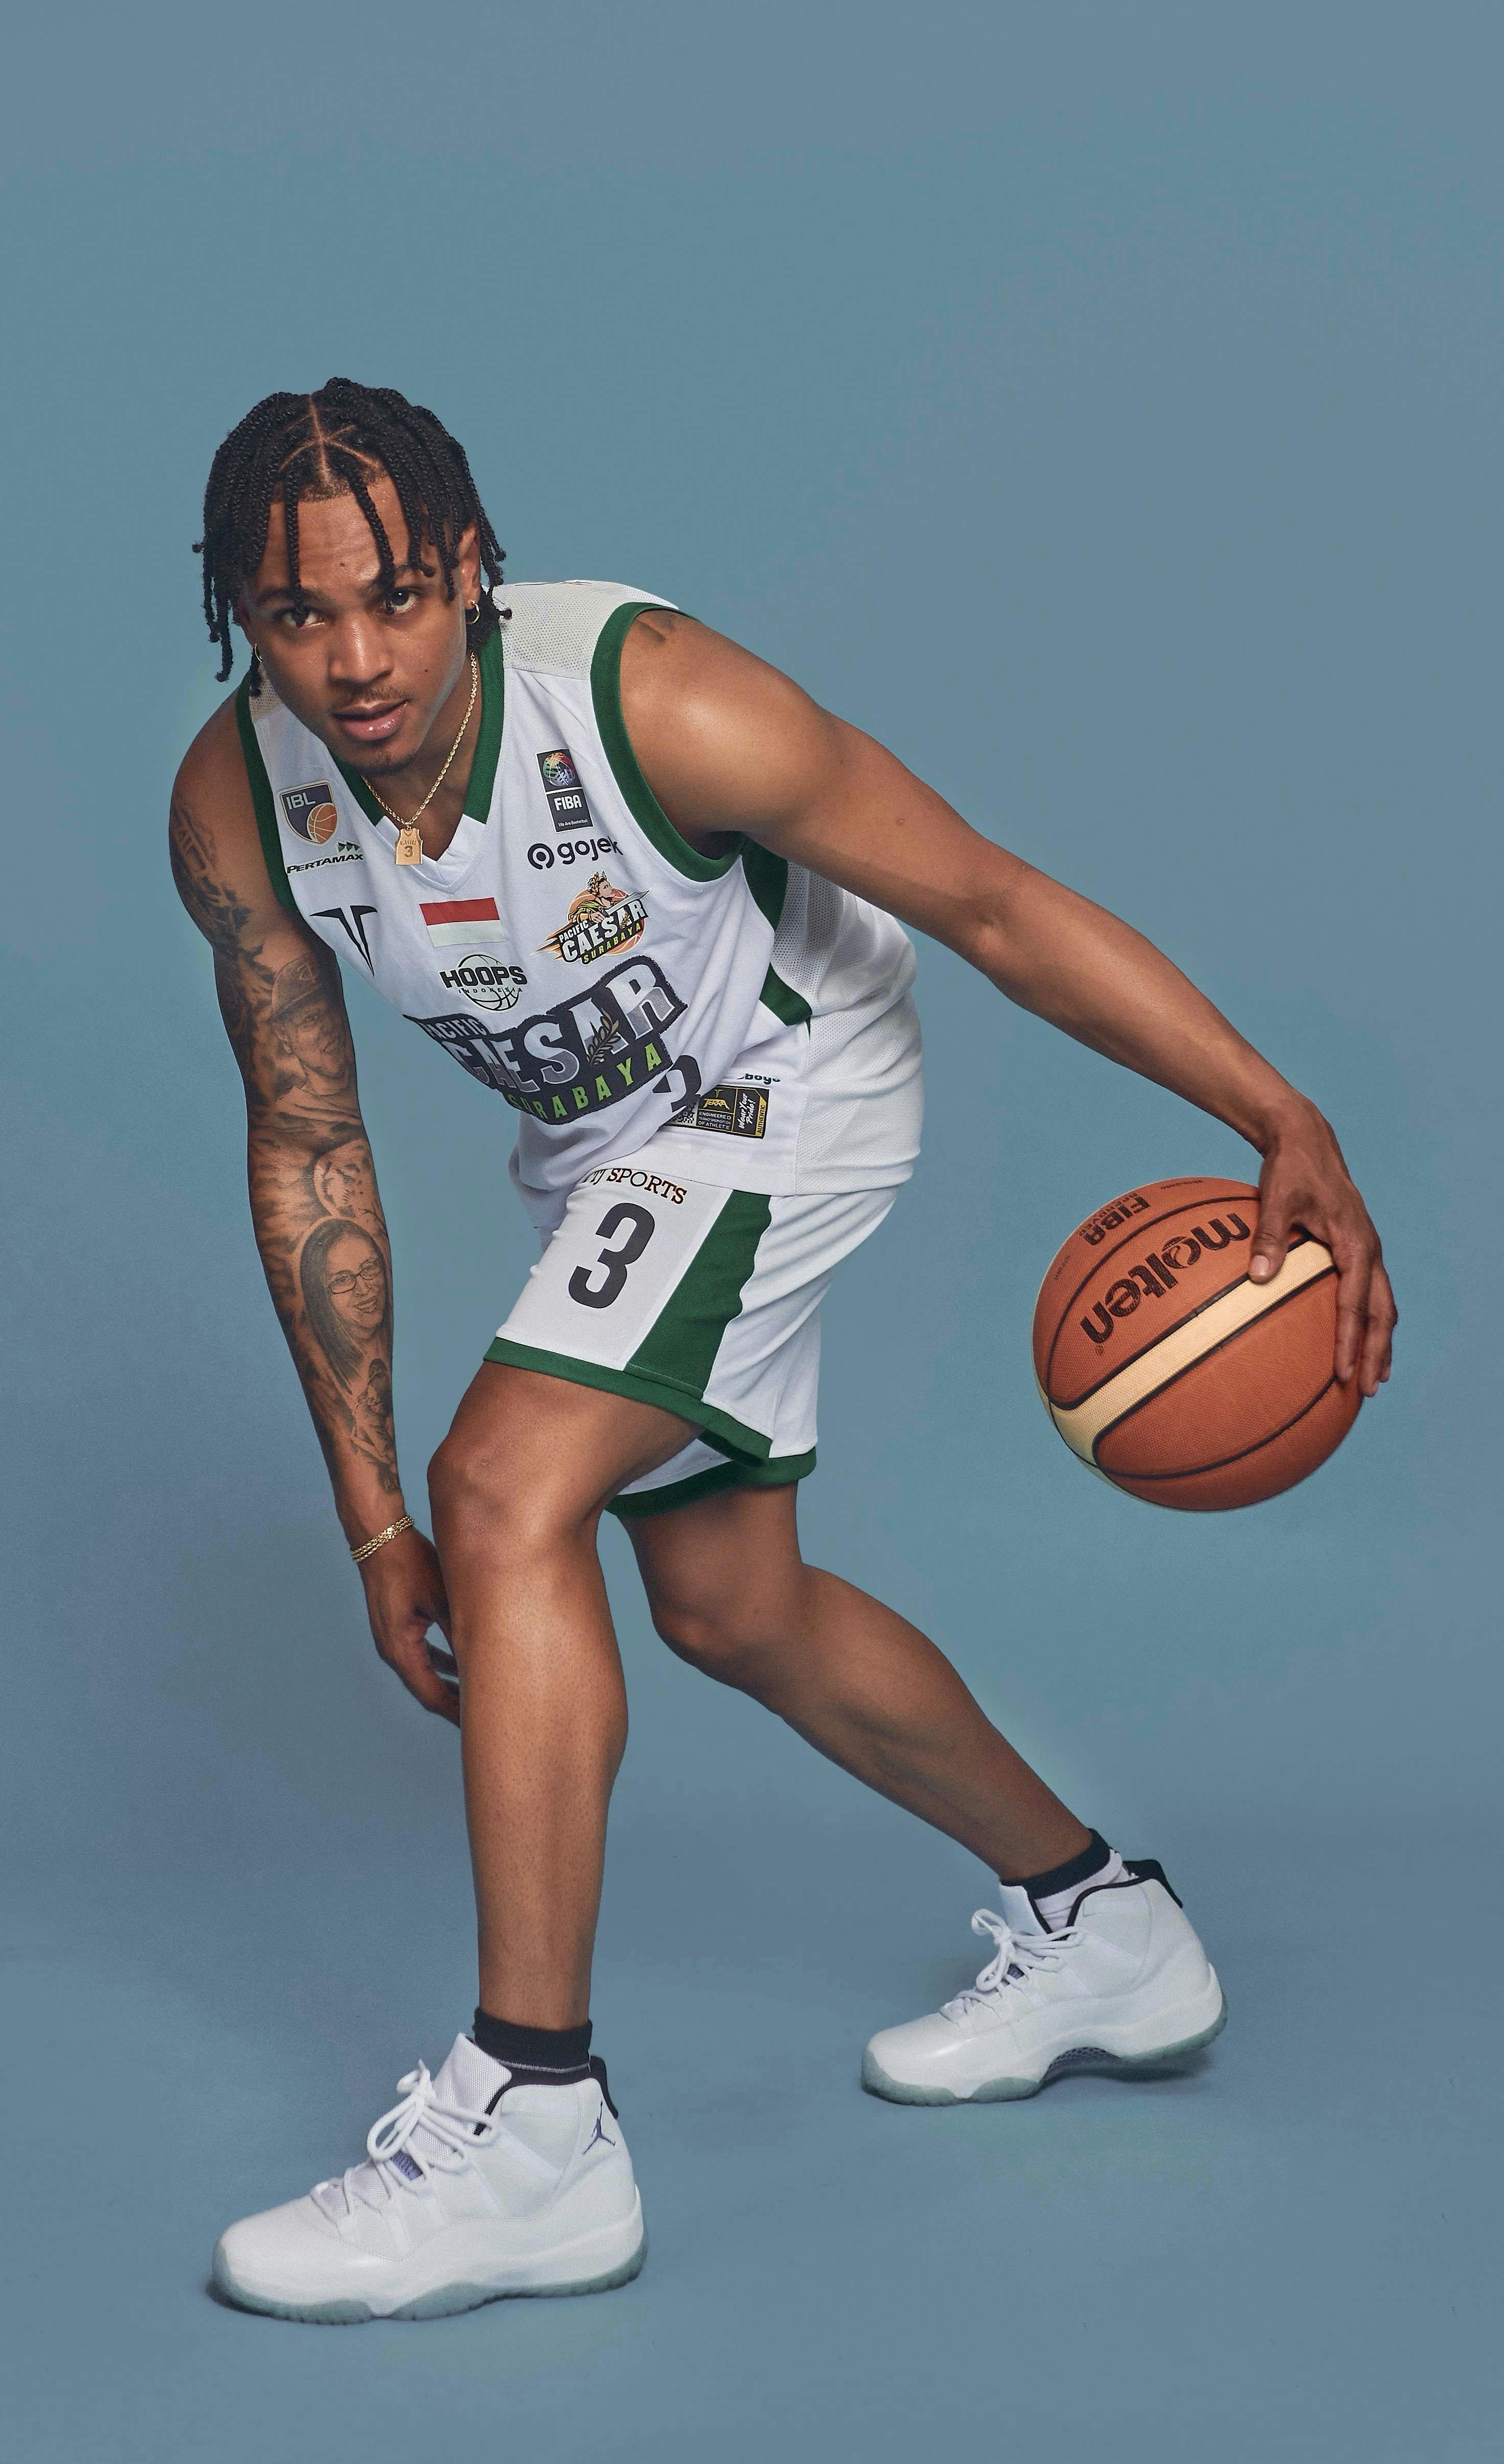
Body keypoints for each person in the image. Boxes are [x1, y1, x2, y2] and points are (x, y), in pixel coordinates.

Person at [169, 379, 1394, 2326]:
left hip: (789, 1075)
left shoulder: (655, 701)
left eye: (397, 598)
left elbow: (988, 900)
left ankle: (534, 2122)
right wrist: (361, 1517)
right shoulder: (243, 800)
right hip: (611, 1147)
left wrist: (1273, 1110)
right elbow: (308, 1144)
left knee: (511, 1483)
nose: (356, 656)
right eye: (300, 615)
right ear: (242, 611)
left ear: (471, 570)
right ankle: (1107, 1928)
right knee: (731, 1606)